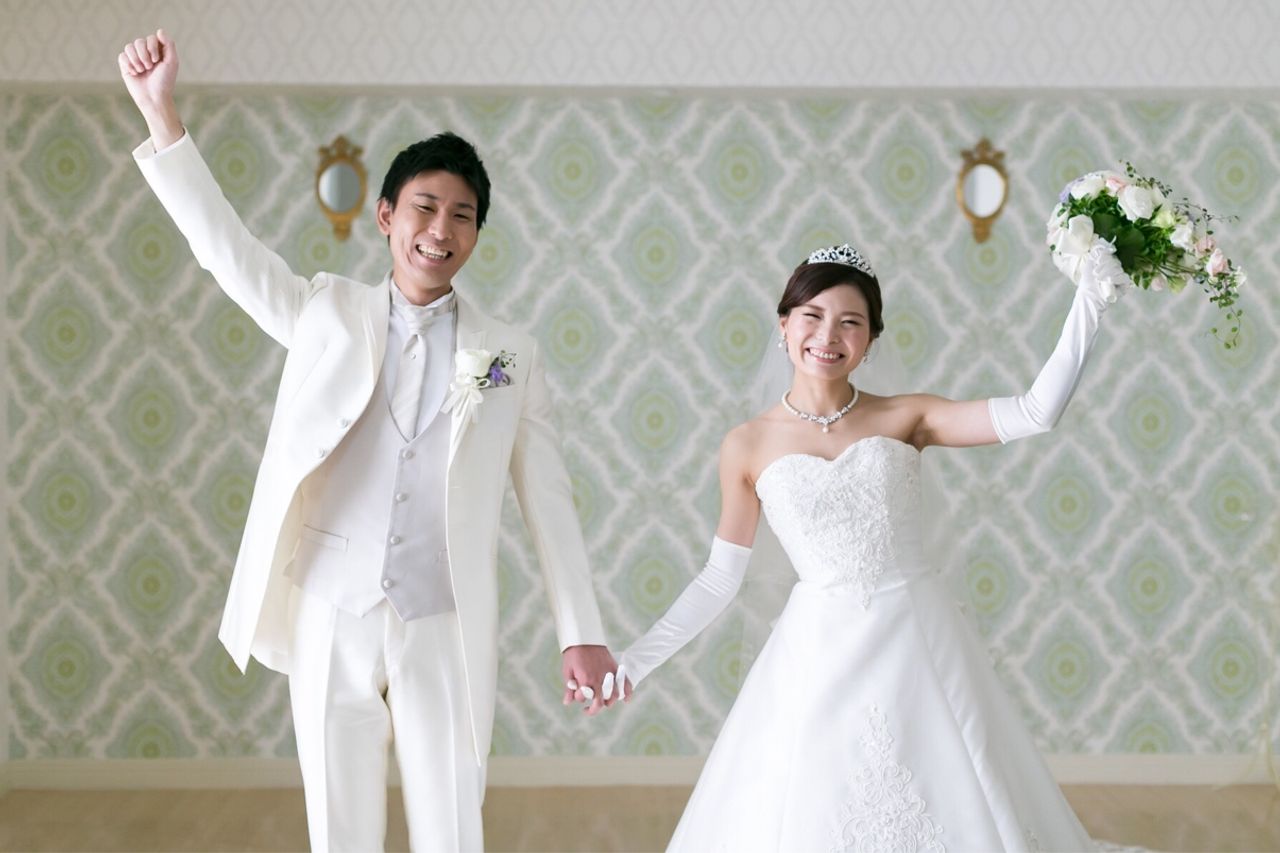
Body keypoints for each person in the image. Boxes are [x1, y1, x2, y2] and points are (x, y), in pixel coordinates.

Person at [118, 30, 619, 852]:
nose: (441, 228)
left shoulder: (507, 356)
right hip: (331, 605)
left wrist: (582, 630)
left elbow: (549, 500)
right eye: (425, 206)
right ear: (386, 216)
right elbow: (225, 252)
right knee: (339, 826)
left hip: (444, 616)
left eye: (462, 215)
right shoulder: (324, 311)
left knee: (452, 823)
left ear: (477, 234)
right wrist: (161, 115)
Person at [616, 242, 1126, 851]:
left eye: (850, 322)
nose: (827, 336)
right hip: (817, 647)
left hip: (917, 633)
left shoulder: (908, 416)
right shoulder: (746, 444)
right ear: (784, 325)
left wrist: (1090, 299)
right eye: (812, 316)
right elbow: (720, 577)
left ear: (871, 339)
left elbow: (1035, 413)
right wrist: (633, 663)